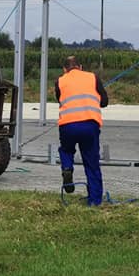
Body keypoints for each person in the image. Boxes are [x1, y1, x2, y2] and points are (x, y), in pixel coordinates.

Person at [55, 55, 108, 206]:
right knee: (92, 163)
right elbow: (104, 102)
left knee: (66, 150)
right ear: (81, 67)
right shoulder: (93, 78)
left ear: (64, 69)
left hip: (67, 125)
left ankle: (67, 167)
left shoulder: (60, 81)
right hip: (90, 124)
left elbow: (60, 99)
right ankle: (94, 201)